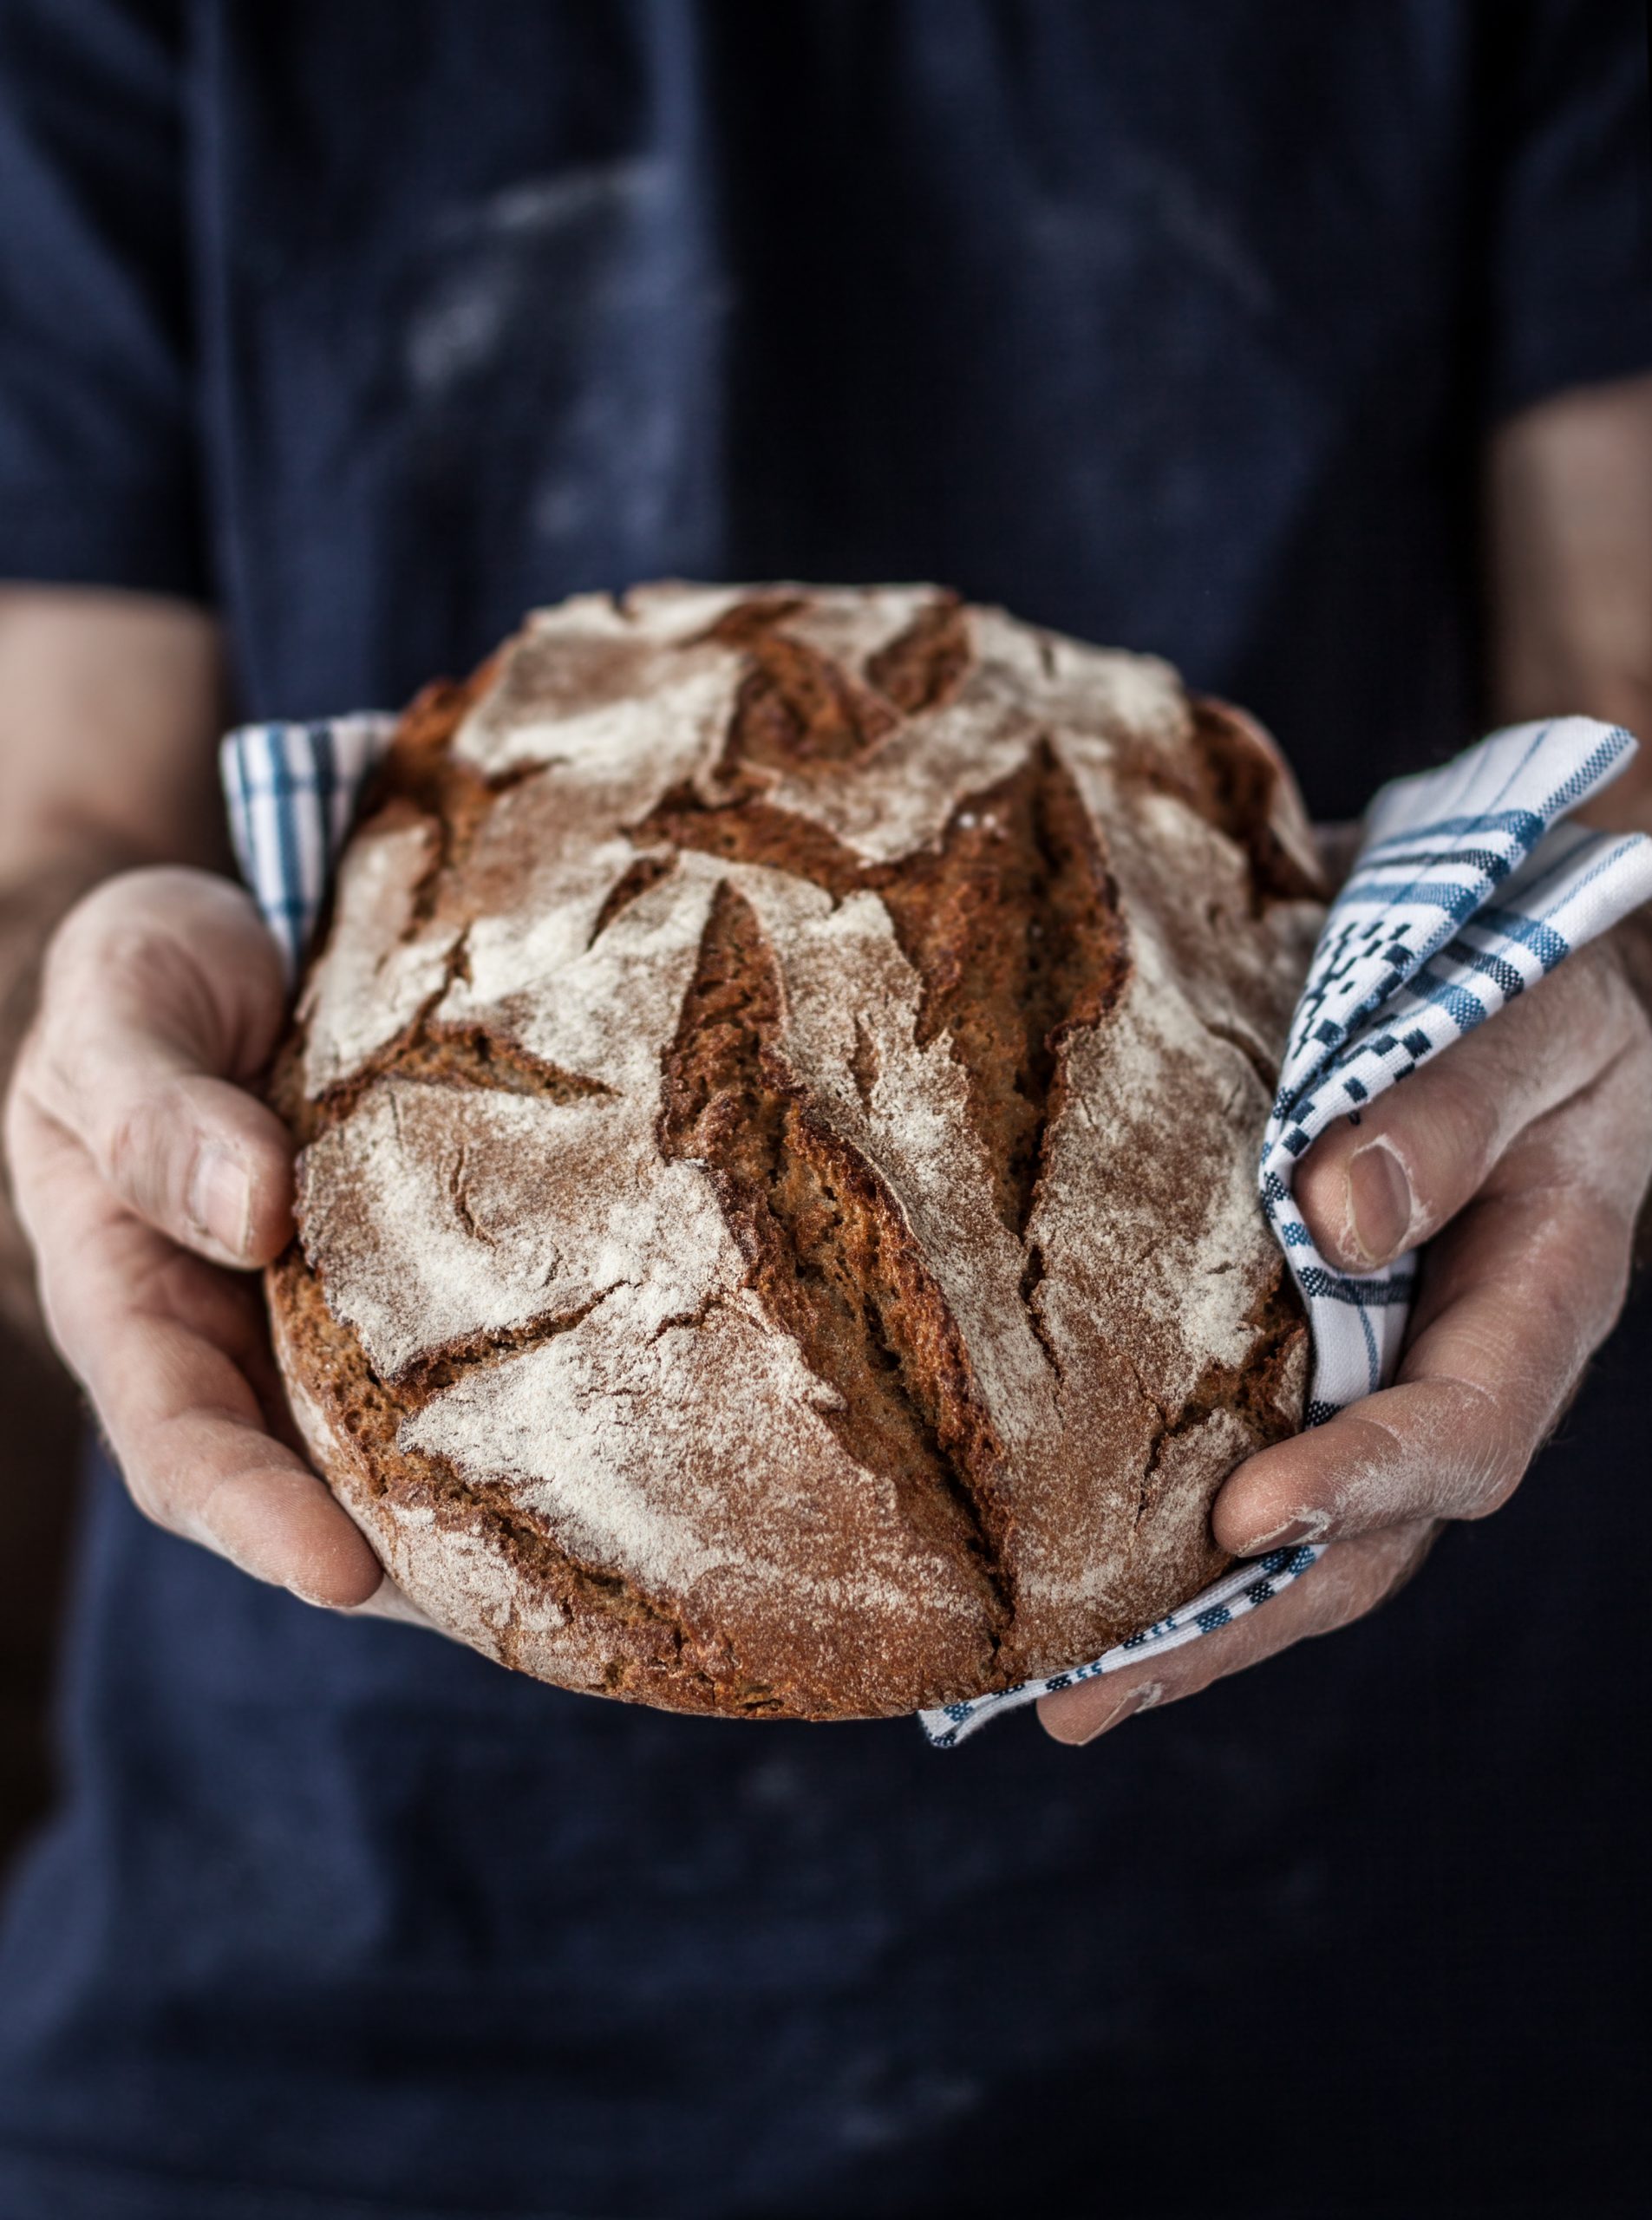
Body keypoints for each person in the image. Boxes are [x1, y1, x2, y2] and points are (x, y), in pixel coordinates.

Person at [0, 3, 1649, 2215]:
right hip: (327, 1984)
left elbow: (1612, 703)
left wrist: (1594, 982)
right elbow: (60, 827)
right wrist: (79, 1046)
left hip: (1383, 1932)